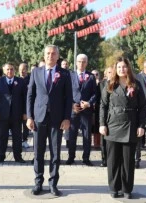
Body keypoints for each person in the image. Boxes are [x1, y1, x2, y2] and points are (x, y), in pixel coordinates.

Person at [26, 45, 72, 196]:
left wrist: (66, 118)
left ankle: (53, 184)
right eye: (47, 53)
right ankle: (38, 183)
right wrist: (29, 117)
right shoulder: (36, 72)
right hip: (39, 118)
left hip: (57, 119)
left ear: (58, 56)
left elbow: (68, 98)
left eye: (53, 54)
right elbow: (30, 96)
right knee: (38, 153)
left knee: (55, 153)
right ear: (44, 55)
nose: (50, 56)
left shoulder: (64, 74)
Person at [99, 57, 146, 199]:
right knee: (113, 160)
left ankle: (126, 189)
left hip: (130, 125)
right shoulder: (109, 84)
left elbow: (142, 107)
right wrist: (102, 124)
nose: (121, 69)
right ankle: (114, 188)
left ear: (128, 68)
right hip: (112, 124)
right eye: (119, 67)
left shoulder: (136, 84)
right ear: (115, 69)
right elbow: (103, 105)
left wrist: (141, 125)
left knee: (128, 160)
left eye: (124, 67)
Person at [65, 54, 96, 166]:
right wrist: (72, 105)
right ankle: (71, 157)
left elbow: (95, 93)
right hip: (73, 111)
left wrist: (89, 103)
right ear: (76, 62)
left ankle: (86, 158)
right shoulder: (69, 75)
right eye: (79, 61)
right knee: (72, 135)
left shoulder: (91, 77)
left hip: (86, 111)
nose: (81, 64)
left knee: (87, 136)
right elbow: (66, 93)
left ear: (86, 63)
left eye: (83, 61)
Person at [0, 63, 26, 163]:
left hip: (17, 114)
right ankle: (1, 156)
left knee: (17, 137)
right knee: (2, 136)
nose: (9, 71)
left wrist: (25, 113)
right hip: (2, 115)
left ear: (14, 70)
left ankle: (18, 156)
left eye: (11, 69)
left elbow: (25, 98)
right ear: (4, 70)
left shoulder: (20, 82)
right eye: (7, 69)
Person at [96, 67, 113, 167]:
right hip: (103, 114)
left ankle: (111, 158)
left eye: (112, 72)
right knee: (103, 139)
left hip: (114, 115)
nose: (111, 74)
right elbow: (99, 100)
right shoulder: (101, 84)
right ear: (106, 74)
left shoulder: (117, 84)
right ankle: (104, 159)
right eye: (109, 72)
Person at [18, 62, 30, 149]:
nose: (22, 71)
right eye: (20, 70)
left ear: (27, 70)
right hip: (17, 107)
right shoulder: (16, 80)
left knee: (26, 125)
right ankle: (18, 140)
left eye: (23, 69)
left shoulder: (30, 80)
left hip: (26, 107)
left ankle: (25, 140)